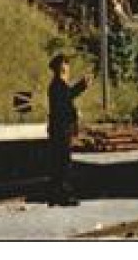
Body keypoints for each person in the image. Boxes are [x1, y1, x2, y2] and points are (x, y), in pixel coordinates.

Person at [45, 53, 87, 207]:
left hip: (60, 129)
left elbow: (68, 96)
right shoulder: (58, 86)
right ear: (61, 68)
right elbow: (64, 105)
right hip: (61, 130)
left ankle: (56, 195)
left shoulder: (58, 86)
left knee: (59, 163)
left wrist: (81, 86)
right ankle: (64, 195)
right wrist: (75, 113)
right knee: (63, 164)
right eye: (66, 64)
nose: (68, 67)